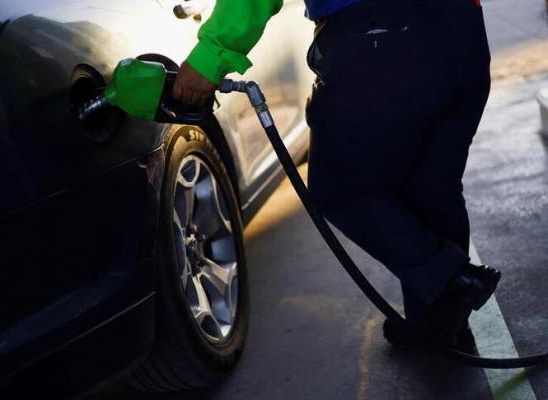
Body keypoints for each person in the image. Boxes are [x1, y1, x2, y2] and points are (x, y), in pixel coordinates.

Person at [173, 0, 501, 351]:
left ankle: (450, 284)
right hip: (462, 31)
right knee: (432, 187)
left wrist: (212, 54)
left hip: (382, 34)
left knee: (340, 190)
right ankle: (440, 328)